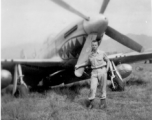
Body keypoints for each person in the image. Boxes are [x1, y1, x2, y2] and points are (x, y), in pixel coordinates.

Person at [76, 40, 110, 109]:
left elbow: (108, 61)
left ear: (97, 46)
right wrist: (78, 65)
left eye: (95, 45)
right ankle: (91, 104)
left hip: (102, 70)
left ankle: (103, 104)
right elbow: (87, 63)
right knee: (92, 88)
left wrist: (106, 70)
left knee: (102, 88)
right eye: (93, 45)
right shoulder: (90, 55)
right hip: (94, 72)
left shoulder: (102, 53)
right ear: (91, 46)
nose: (94, 46)